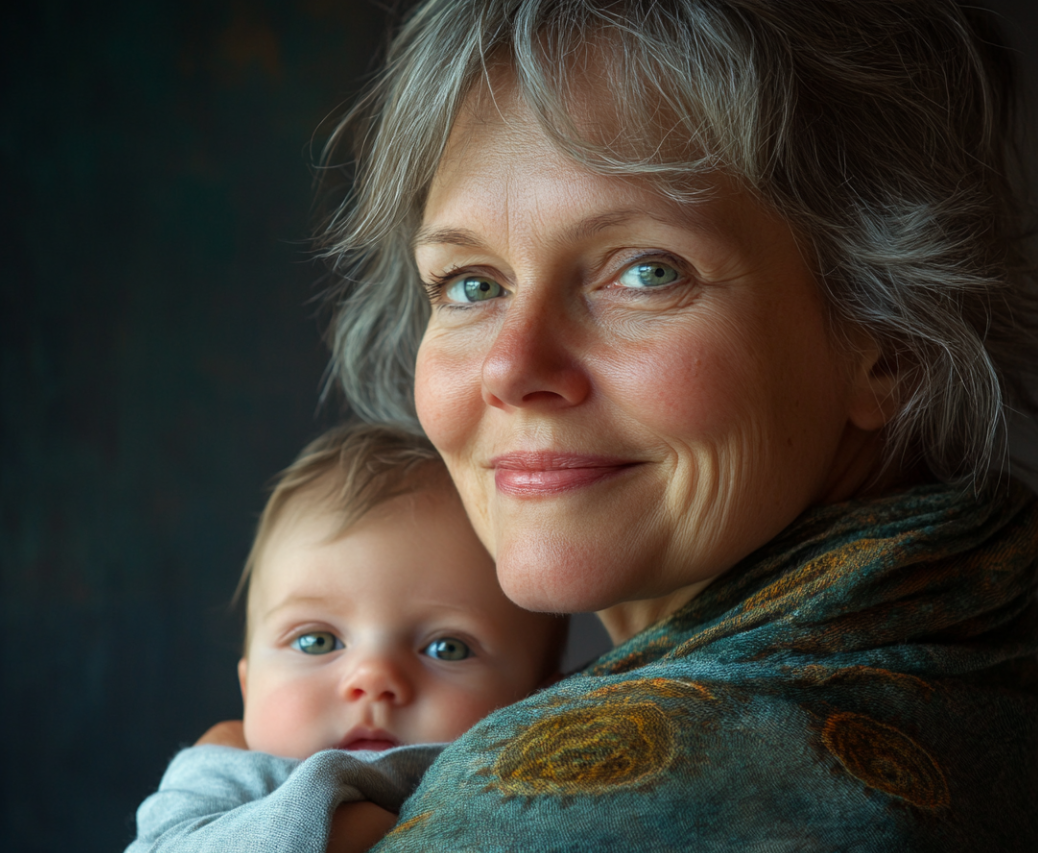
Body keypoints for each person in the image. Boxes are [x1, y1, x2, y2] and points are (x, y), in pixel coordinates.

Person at [307, 0, 1037, 849]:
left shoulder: (558, 812)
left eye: (647, 271)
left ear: (891, 339)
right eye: (472, 283)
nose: (512, 368)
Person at [125, 423, 567, 853]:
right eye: (316, 641)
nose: (373, 679)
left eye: (447, 649)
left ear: (544, 703)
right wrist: (341, 830)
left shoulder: (548, 797)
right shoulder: (234, 776)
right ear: (248, 686)